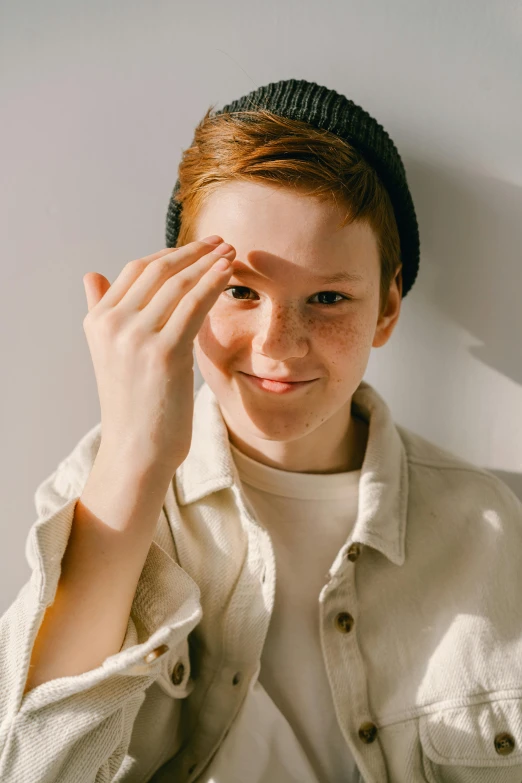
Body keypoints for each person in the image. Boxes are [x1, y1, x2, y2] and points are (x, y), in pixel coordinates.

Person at [1, 78, 521, 783]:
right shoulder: (100, 495)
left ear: (388, 308)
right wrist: (134, 454)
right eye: (239, 291)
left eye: (329, 297)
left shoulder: (497, 532)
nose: (278, 345)